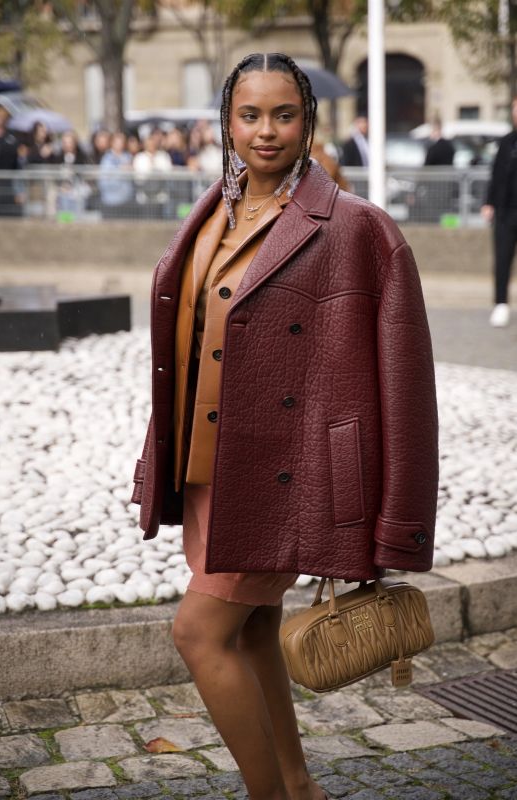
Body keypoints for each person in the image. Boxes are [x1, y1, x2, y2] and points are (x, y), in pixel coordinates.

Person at [131, 53, 438, 800]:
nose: (264, 132)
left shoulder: (357, 227)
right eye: (248, 114)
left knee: (199, 633)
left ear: (308, 121)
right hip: (212, 469)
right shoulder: (212, 213)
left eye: (283, 114)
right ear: (226, 123)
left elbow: (407, 388)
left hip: (289, 476)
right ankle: (298, 787)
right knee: (254, 627)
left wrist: (394, 527)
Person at [481, 97, 517, 327]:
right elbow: (496, 175)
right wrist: (489, 202)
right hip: (505, 213)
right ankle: (501, 304)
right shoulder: (506, 142)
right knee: (502, 259)